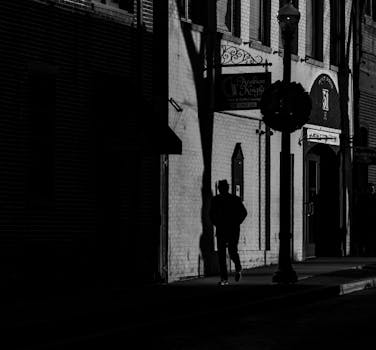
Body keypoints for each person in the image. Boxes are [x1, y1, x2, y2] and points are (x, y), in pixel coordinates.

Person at [209, 179, 247, 285]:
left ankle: (224, 279)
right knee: (232, 251)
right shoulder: (235, 199)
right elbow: (244, 213)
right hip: (233, 229)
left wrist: (216, 223)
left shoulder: (215, 200)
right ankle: (238, 268)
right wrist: (237, 222)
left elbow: (211, 214)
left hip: (222, 229)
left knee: (222, 255)